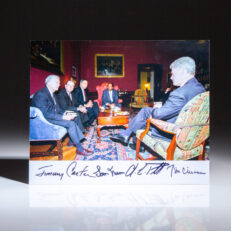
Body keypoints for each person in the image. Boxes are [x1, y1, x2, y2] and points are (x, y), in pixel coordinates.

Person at [110, 56, 205, 152]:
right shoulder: (200, 88)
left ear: (183, 71)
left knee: (146, 114)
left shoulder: (179, 93)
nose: (171, 78)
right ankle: (131, 138)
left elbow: (158, 114)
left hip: (172, 132)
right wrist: (163, 108)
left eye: (173, 74)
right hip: (193, 132)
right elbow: (181, 108)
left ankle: (128, 136)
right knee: (145, 113)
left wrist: (158, 110)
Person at [31, 75, 92, 157]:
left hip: (52, 116)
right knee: (71, 124)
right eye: (57, 82)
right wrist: (63, 117)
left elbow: (59, 109)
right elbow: (46, 114)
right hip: (45, 121)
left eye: (59, 83)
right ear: (49, 83)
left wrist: (66, 114)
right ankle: (80, 149)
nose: (59, 85)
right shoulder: (41, 94)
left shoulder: (53, 93)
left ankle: (72, 141)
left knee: (74, 117)